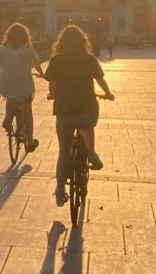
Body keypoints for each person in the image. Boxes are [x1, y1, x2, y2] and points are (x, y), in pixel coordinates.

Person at [44, 24, 113, 207]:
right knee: (87, 126)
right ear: (83, 42)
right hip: (87, 108)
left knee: (63, 152)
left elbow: (53, 85)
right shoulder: (88, 59)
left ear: (62, 42)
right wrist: (108, 93)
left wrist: (53, 95)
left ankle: (60, 192)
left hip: (65, 110)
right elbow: (100, 80)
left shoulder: (56, 60)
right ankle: (90, 152)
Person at [0, 22, 44, 153]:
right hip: (23, 83)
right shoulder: (27, 48)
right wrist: (41, 73)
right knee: (27, 111)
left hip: (6, 83)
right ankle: (30, 141)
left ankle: (8, 116)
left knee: (10, 98)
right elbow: (36, 62)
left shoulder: (4, 48)